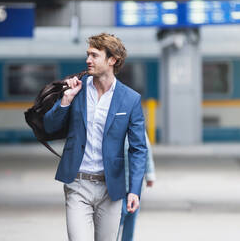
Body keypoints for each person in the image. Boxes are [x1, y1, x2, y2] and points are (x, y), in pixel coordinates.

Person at [43, 33, 147, 241]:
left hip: (111, 188)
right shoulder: (76, 90)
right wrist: (66, 100)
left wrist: (134, 190)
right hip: (77, 184)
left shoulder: (130, 99)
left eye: (94, 55)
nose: (87, 60)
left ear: (112, 60)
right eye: (87, 54)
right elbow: (49, 127)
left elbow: (138, 149)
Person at [118, 133, 156, 241]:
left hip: (134, 186)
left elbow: (146, 151)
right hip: (117, 187)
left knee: (131, 219)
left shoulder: (137, 129)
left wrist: (149, 174)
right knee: (115, 222)